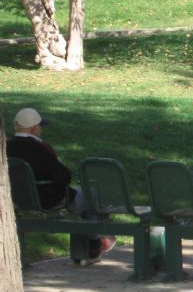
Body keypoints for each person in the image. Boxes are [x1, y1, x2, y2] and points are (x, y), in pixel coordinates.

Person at [7, 107, 116, 262]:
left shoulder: (6, 147)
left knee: (82, 196)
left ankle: (95, 241)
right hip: (49, 198)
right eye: (39, 127)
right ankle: (95, 243)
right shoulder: (40, 148)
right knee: (90, 194)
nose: (40, 130)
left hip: (18, 199)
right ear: (33, 128)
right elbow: (63, 177)